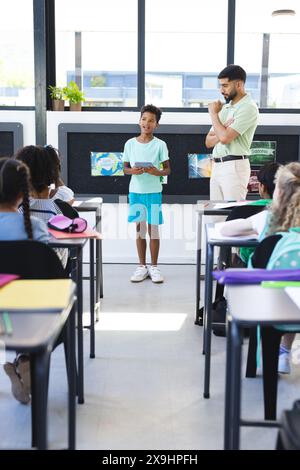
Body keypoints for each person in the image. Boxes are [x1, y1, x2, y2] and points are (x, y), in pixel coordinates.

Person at [220, 162, 300, 374]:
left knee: (279, 282)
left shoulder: (267, 218)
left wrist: (254, 230)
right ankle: (285, 350)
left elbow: (227, 229)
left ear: (278, 191)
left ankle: (274, 352)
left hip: (266, 300)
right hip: (297, 301)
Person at [0, 157, 50, 405]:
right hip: (30, 317)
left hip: (3, 317)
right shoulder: (36, 227)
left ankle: (20, 361)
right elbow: (52, 273)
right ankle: (25, 359)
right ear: (23, 192)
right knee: (22, 304)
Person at [123, 104, 171, 283]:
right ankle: (141, 266)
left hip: (154, 192)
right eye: (144, 119)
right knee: (139, 230)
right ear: (139, 121)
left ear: (156, 125)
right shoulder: (130, 144)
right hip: (136, 191)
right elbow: (125, 168)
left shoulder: (160, 145)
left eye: (151, 121)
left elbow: (167, 170)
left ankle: (155, 267)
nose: (147, 123)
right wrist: (133, 171)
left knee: (153, 230)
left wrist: (155, 172)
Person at [205, 64, 259, 201]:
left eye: (225, 85)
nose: (221, 90)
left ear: (239, 84)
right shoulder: (225, 107)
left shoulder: (248, 107)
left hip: (234, 166)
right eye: (220, 86)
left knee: (232, 215)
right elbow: (208, 142)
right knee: (215, 217)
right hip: (217, 166)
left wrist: (213, 114)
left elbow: (224, 138)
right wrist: (222, 128)